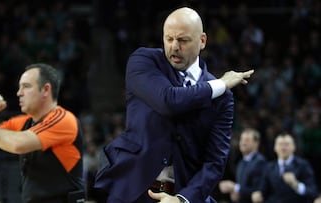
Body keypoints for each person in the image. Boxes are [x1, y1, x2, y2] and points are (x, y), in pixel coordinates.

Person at [94, 7, 254, 203]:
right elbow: (168, 101)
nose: (174, 47)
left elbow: (214, 162)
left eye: (183, 40)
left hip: (183, 192)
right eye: (168, 39)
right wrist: (221, 83)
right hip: (132, 189)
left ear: (202, 41)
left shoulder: (223, 97)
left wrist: (182, 199)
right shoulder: (143, 61)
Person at [0, 63, 85, 203]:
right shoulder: (23, 122)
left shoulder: (64, 120)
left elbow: (18, 144)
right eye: (19, 87)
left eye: (26, 86)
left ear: (45, 90)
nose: (19, 93)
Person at [251, 133, 318, 203]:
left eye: (287, 144)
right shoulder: (269, 167)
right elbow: (262, 189)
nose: (283, 148)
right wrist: (258, 194)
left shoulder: (303, 165)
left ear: (294, 147)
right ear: (275, 148)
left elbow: (313, 192)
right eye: (280, 144)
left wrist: (296, 185)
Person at [219, 128, 266, 203]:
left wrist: (234, 187)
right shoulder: (240, 162)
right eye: (242, 139)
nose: (243, 142)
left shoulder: (260, 162)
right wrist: (234, 193)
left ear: (256, 143)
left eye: (247, 140)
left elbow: (258, 191)